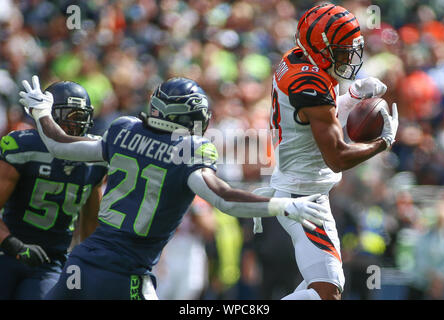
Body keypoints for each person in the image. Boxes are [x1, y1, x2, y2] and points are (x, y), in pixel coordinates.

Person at [19, 75, 331, 299]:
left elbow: (60, 145)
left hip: (83, 261)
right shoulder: (190, 150)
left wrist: (42, 112)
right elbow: (225, 199)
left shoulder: (122, 130)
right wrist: (283, 205)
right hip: (125, 274)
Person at [254, 3, 399, 300]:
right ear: (321, 49)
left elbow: (319, 117)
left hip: (299, 188)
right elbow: (336, 158)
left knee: (320, 288)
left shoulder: (298, 60)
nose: (349, 56)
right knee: (326, 293)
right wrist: (383, 142)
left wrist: (354, 96)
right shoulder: (310, 84)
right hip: (304, 197)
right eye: (342, 49)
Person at [0, 81, 107, 299]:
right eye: (69, 115)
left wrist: (90, 263)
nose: (75, 124)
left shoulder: (95, 159)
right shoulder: (24, 147)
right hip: (6, 251)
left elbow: (90, 224)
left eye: (80, 116)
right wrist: (12, 244)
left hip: (50, 261)